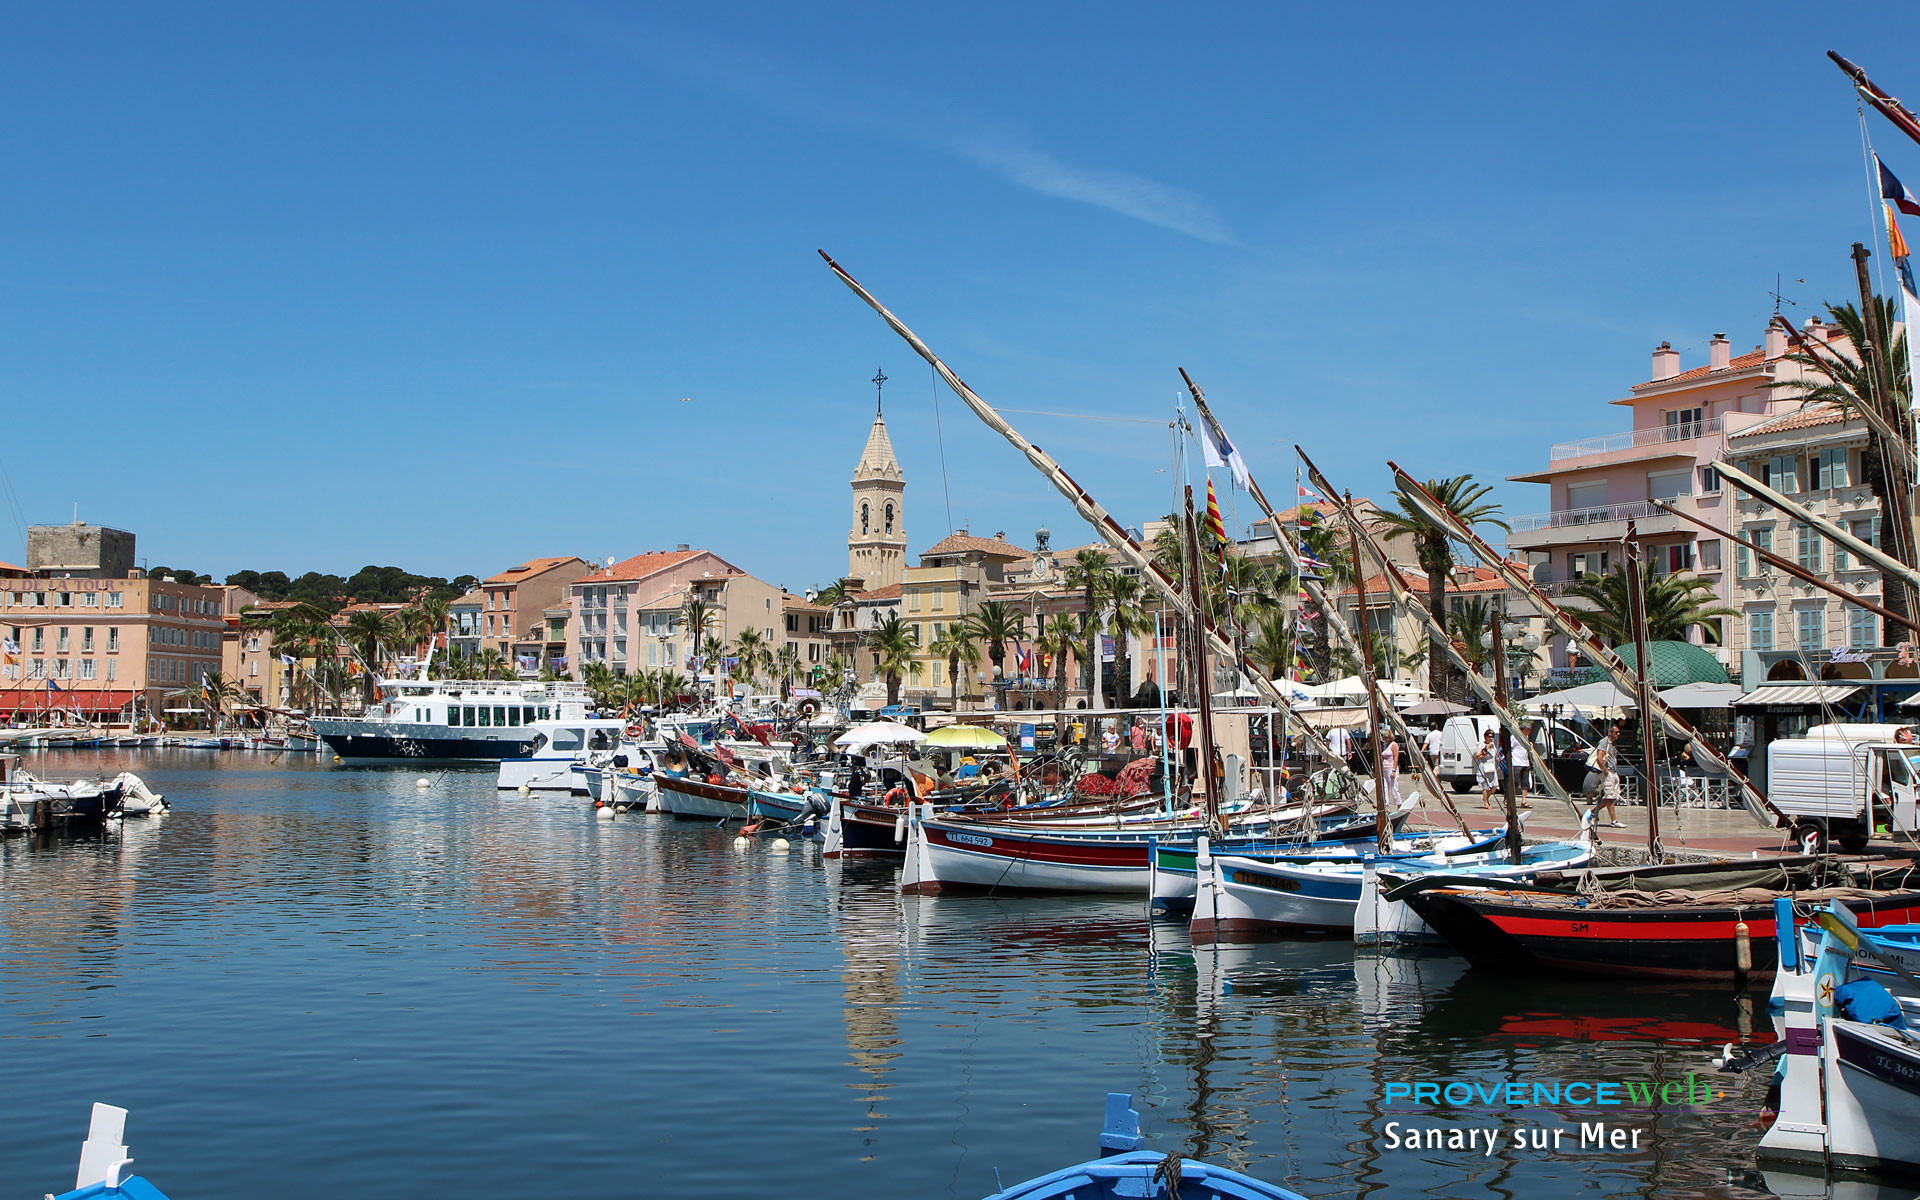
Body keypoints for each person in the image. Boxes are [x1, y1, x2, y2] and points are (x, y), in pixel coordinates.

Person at [1591, 725, 1624, 827]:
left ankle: (1591, 813)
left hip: (1613, 772)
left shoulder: (1612, 744)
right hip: (1608, 772)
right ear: (1610, 733)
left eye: (1619, 732)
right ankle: (1614, 821)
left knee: (1613, 797)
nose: (1618, 734)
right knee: (1610, 796)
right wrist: (1605, 770)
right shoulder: (1604, 742)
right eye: (1616, 732)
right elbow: (1599, 757)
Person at [1474, 729, 1501, 810]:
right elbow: (1478, 756)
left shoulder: (1493, 745)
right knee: (1485, 786)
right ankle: (1486, 802)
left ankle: (1486, 798)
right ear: (1485, 737)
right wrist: (1486, 749)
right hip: (1484, 767)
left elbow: (1495, 755)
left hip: (1492, 767)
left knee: (1495, 786)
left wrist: (1498, 758)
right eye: (1489, 737)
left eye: (1492, 737)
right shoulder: (1481, 745)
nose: (1491, 738)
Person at [1379, 735, 1402, 807]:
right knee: (1385, 788)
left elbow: (1396, 758)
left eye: (1386, 737)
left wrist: (1394, 770)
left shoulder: (1394, 744)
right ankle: (1386, 805)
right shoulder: (1385, 745)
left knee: (1394, 788)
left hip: (1391, 768)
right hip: (1384, 769)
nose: (1384, 739)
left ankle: (1399, 804)